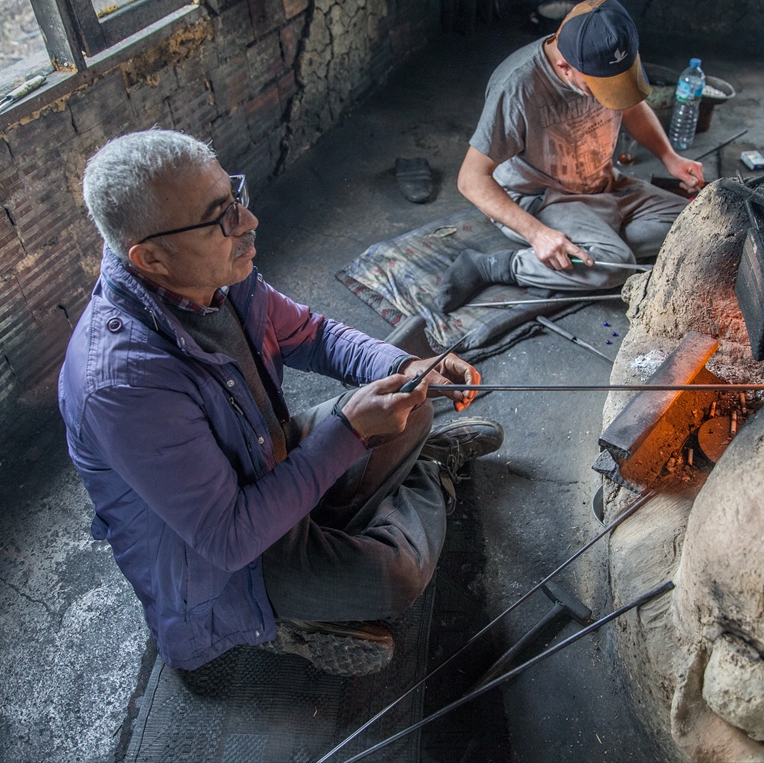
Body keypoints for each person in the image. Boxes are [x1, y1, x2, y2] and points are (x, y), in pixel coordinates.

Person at [58, 130, 503, 677]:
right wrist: (349, 431)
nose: (248, 223)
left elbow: (313, 334)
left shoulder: (216, 278)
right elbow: (228, 537)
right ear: (151, 256)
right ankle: (424, 481)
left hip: (263, 458)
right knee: (395, 576)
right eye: (220, 218)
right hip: (225, 567)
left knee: (414, 403)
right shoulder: (124, 385)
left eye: (236, 198)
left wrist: (403, 367)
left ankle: (360, 526)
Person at [436, 0, 704, 313]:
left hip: (607, 185)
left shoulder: (609, 48)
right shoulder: (517, 87)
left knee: (696, 225)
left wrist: (670, 158)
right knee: (616, 267)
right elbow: (471, 179)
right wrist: (538, 234)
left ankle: (598, 246)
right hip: (545, 198)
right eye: (600, 88)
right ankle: (498, 265)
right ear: (565, 66)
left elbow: (631, 106)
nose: (611, 95)